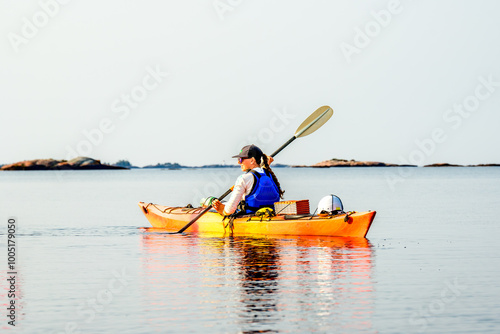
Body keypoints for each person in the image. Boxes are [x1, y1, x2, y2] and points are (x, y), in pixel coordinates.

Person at [212, 145, 284, 216]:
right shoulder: (270, 176)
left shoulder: (243, 178)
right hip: (269, 214)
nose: (239, 162)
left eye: (241, 159)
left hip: (249, 217)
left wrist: (222, 210)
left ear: (252, 160)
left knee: (210, 202)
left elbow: (230, 210)